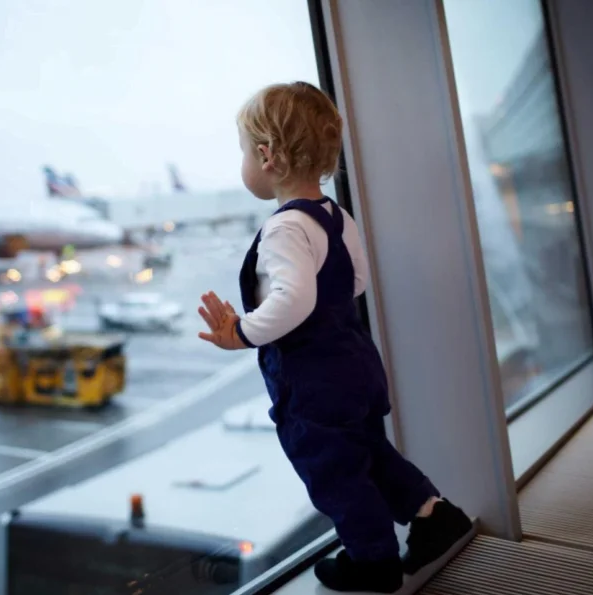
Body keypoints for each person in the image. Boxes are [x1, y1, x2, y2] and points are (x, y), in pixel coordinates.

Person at [197, 81, 472, 593]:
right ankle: (435, 515)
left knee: (334, 472)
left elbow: (294, 300)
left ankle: (373, 561)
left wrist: (244, 330)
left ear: (267, 156)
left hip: (316, 381)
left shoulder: (283, 229)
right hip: (356, 363)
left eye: (243, 151)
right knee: (370, 451)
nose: (243, 162)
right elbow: (357, 281)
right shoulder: (333, 216)